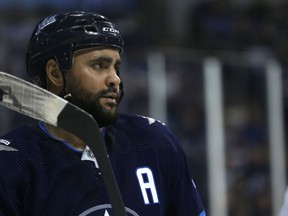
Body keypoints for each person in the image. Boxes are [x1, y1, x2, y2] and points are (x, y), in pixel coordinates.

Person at [0, 11, 206, 216]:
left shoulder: (154, 141)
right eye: (99, 65)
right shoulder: (12, 161)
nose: (115, 79)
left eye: (116, 67)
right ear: (55, 73)